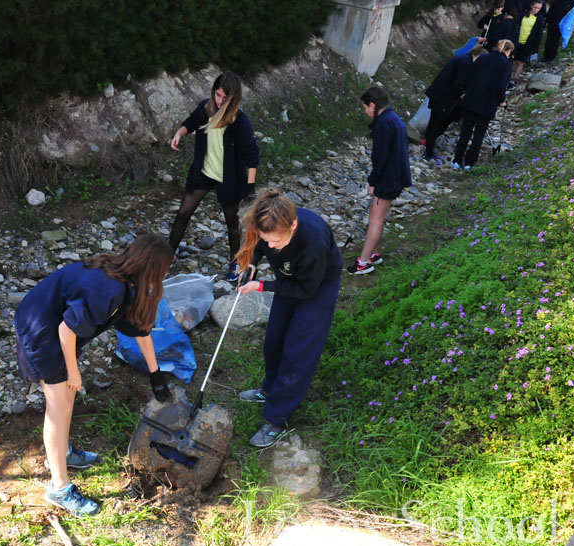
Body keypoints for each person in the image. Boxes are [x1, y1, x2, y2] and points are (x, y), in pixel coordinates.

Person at [14, 234, 174, 516]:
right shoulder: (107, 289)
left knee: (67, 398)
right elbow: (66, 330)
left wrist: (155, 373)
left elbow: (139, 330)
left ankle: (62, 454)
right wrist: (73, 370)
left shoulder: (127, 282)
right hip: (42, 329)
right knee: (58, 406)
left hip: (58, 328)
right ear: (152, 267)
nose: (165, 274)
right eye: (165, 268)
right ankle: (59, 488)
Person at [234, 190, 343, 447]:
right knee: (274, 339)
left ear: (293, 226)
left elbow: (306, 290)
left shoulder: (312, 242)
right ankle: (269, 389)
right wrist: (251, 263)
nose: (271, 246)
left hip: (316, 286)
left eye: (276, 242)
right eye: (267, 240)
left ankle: (277, 417)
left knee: (298, 349)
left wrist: (261, 287)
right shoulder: (270, 225)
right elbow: (261, 243)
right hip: (289, 279)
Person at [169, 71, 260, 281]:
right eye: (217, 95)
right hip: (204, 171)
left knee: (232, 224)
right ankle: (168, 254)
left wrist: (250, 189)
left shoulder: (240, 121)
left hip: (228, 178)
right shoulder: (205, 108)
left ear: (234, 98)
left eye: (224, 98)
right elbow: (190, 122)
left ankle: (235, 263)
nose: (220, 101)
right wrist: (179, 134)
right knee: (183, 212)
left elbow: (252, 156)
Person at [347, 86, 412, 276]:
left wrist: (373, 182)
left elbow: (379, 157)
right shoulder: (394, 119)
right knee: (376, 216)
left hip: (388, 179)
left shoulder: (383, 124)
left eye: (365, 107)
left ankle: (364, 263)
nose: (366, 111)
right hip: (397, 176)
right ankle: (374, 254)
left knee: (376, 218)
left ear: (373, 105)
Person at [452, 40, 514, 170]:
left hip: (472, 99)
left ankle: (456, 160)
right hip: (487, 103)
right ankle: (469, 163)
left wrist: (466, 91)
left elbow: (469, 75)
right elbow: (501, 86)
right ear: (508, 51)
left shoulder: (484, 57)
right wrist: (502, 101)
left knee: (465, 132)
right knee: (478, 135)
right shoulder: (506, 64)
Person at [423, 46, 488, 163]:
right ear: (477, 57)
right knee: (435, 123)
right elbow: (457, 82)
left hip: (442, 94)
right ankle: (428, 152)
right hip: (442, 95)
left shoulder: (464, 59)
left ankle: (429, 146)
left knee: (440, 122)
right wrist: (462, 94)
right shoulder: (465, 62)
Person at [512, 1, 546, 82]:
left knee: (520, 63)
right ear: (531, 6)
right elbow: (515, 25)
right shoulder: (523, 14)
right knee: (512, 60)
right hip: (516, 41)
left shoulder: (539, 19)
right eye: (535, 7)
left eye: (538, 8)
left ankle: (514, 80)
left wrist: (535, 49)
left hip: (527, 44)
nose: (536, 10)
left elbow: (539, 35)